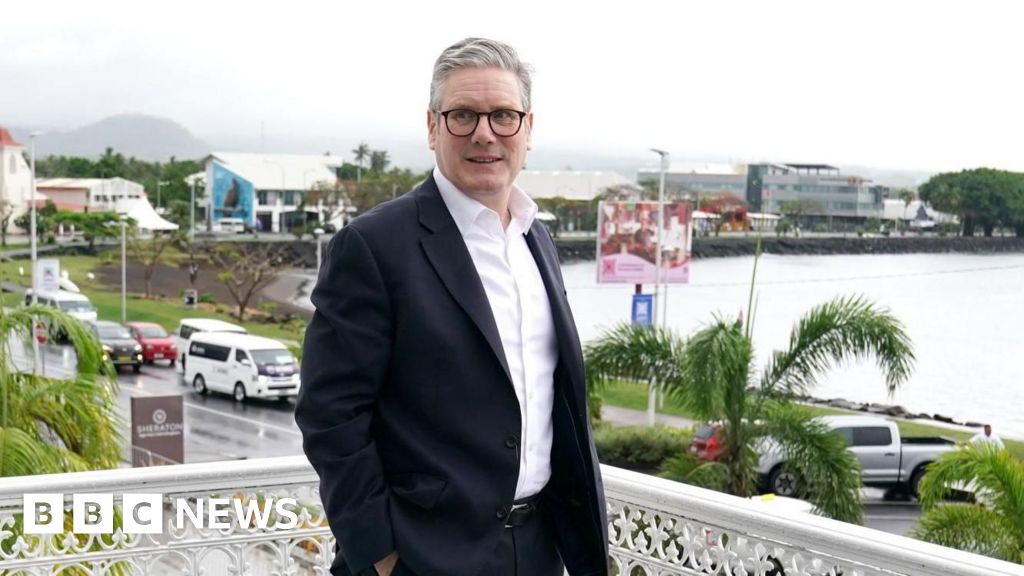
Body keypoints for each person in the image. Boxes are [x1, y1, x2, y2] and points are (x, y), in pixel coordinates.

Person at [295, 38, 608, 576]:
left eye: (503, 116)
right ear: (433, 127)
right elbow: (330, 415)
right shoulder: (373, 246)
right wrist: (382, 554)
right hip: (422, 557)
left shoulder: (538, 240)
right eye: (463, 114)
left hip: (538, 550)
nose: (484, 133)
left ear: (527, 130)